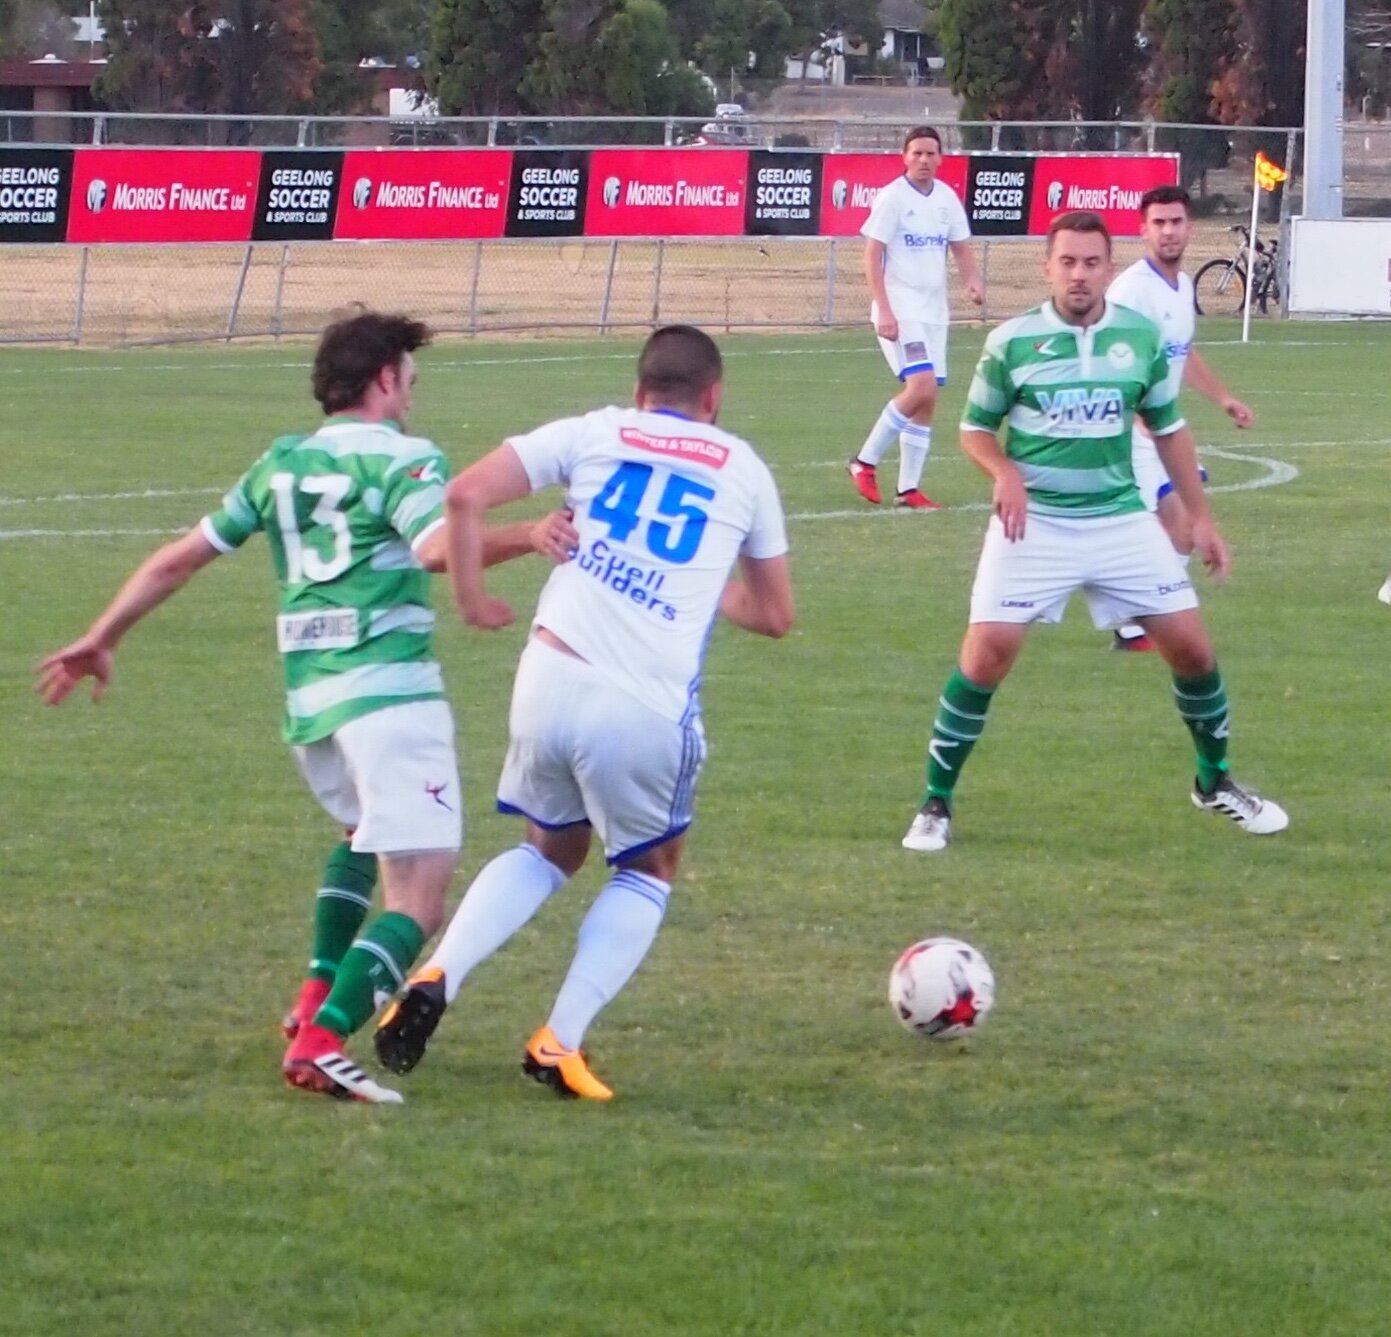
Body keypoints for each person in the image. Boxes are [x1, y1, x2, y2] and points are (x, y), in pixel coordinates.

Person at [36, 310, 576, 1104]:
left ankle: (310, 999)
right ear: (385, 378)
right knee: (420, 895)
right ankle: (325, 1041)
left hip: (311, 701)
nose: (412, 396)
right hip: (389, 697)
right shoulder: (403, 457)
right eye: (409, 380)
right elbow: (433, 547)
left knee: (363, 834)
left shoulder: (280, 463)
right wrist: (526, 533)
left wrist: (100, 634)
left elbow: (183, 558)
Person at [373, 324, 795, 1101]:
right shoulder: (744, 468)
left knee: (549, 847)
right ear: (714, 399)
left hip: (548, 674)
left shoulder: (594, 430)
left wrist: (473, 597)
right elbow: (774, 615)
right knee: (648, 866)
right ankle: (557, 1040)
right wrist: (696, 584)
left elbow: (463, 494)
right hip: (641, 702)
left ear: (640, 393)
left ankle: (437, 970)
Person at [900, 211, 1288, 854]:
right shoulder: (1012, 341)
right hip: (1035, 526)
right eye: (1068, 262)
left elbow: (1167, 428)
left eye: (1091, 262)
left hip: (1119, 521)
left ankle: (1213, 781)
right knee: (985, 656)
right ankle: (935, 802)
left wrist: (1203, 518)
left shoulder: (1136, 338)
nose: (1079, 274)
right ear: (1047, 267)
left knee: (1193, 651)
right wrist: (1003, 471)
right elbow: (972, 429)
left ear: (1109, 269)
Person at [1107, 184, 1257, 652]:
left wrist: (1223, 398)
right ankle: (1136, 624)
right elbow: (1112, 362)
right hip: (1131, 432)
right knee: (1179, 526)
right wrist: (1135, 424)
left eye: (1176, 222)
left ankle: (1134, 622)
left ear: (1189, 228)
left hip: (1159, 431)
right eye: (1159, 223)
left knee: (1174, 529)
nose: (1169, 231)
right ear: (1142, 230)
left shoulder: (1182, 285)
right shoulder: (1132, 291)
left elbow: (1182, 351)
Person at [847, 125, 985, 511]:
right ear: (905, 157)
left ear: (941, 158)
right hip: (901, 309)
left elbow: (961, 247)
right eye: (917, 153)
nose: (924, 160)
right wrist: (885, 309)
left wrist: (973, 281)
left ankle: (908, 489)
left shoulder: (945, 198)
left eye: (931, 153)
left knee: (927, 400)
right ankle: (864, 461)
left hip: (934, 313)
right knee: (920, 386)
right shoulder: (892, 198)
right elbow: (872, 255)